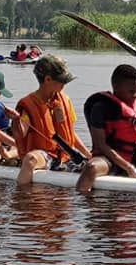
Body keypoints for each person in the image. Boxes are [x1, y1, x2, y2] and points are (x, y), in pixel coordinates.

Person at [75, 63, 136, 194]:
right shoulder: (100, 107)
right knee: (91, 168)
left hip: (133, 158)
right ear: (116, 87)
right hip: (108, 159)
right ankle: (88, 208)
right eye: (131, 91)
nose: (135, 95)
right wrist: (128, 168)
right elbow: (101, 144)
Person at [11, 54, 92, 185]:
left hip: (67, 156)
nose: (64, 84)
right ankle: (22, 200)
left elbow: (71, 133)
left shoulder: (65, 100)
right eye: (62, 81)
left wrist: (88, 155)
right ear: (47, 79)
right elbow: (20, 134)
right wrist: (15, 119)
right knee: (30, 159)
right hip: (44, 155)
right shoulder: (28, 104)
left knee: (95, 166)